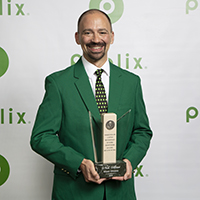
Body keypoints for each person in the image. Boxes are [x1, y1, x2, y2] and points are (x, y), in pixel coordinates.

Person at [30, 9, 153, 200]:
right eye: (88, 32)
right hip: (74, 192)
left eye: (102, 32)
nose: (96, 39)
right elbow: (41, 137)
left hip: (120, 193)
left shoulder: (131, 82)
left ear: (111, 37)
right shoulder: (58, 83)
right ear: (78, 38)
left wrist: (129, 161)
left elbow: (142, 132)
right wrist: (79, 162)